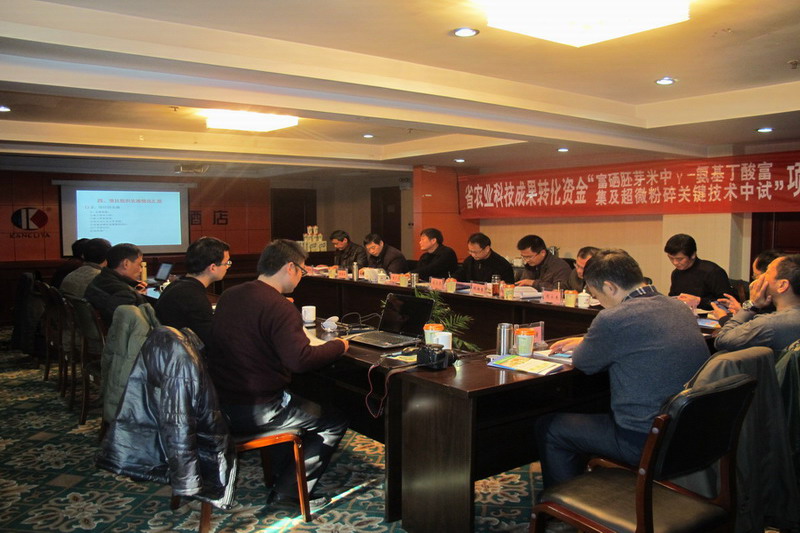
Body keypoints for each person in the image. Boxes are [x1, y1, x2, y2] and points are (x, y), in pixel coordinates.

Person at [536, 249, 709, 491]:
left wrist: (588, 343)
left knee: (550, 426)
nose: (600, 303)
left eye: (596, 295)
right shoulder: (677, 306)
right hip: (688, 432)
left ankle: (563, 505)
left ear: (610, 287)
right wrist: (587, 340)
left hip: (642, 440)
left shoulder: (614, 318)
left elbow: (585, 362)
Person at [209, 239, 350, 507]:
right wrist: (339, 346)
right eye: (302, 270)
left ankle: (279, 475)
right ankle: (289, 493)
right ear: (290, 267)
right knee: (333, 421)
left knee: (299, 399)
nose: (301, 277)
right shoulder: (279, 306)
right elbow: (300, 360)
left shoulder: (231, 294)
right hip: (257, 407)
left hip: (220, 402)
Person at [715, 254, 800, 354]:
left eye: (767, 272)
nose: (759, 278)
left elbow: (722, 340)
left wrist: (751, 304)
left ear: (782, 285)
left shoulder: (770, 324)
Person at [155, 237, 230, 350]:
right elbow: (211, 342)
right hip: (183, 355)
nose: (227, 267)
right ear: (213, 267)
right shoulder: (193, 297)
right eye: (226, 263)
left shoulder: (177, 286)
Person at [85, 243, 146, 327]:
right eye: (139, 264)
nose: (140, 270)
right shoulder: (124, 293)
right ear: (126, 264)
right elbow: (134, 326)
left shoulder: (98, 279)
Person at [665, 233, 732, 310]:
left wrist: (699, 301)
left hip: (709, 315)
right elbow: (673, 298)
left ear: (693, 255)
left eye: (680, 259)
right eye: (671, 258)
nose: (675, 263)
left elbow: (727, 303)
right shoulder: (676, 273)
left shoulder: (713, 272)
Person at [711, 248, 784, 319]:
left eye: (755, 276)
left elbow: (750, 326)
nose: (753, 283)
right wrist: (741, 311)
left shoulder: (772, 312)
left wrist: (723, 318)